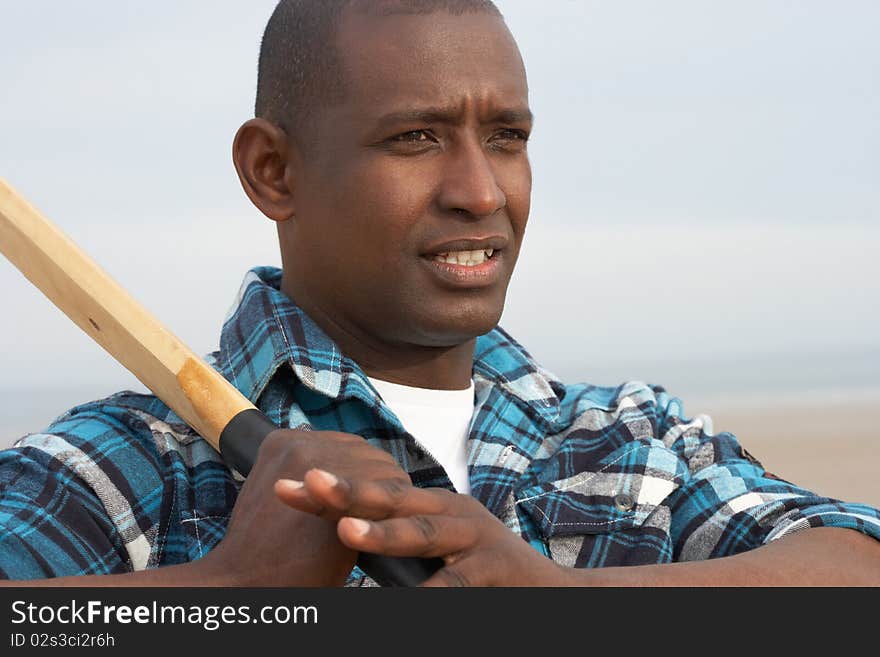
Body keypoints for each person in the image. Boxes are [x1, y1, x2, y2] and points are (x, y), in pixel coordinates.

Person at [1, 0, 878, 587]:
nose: (482, 191)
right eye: (416, 136)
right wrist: (226, 593)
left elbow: (855, 563)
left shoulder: (630, 447)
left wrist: (555, 602)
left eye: (505, 136)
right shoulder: (129, 468)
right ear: (273, 171)